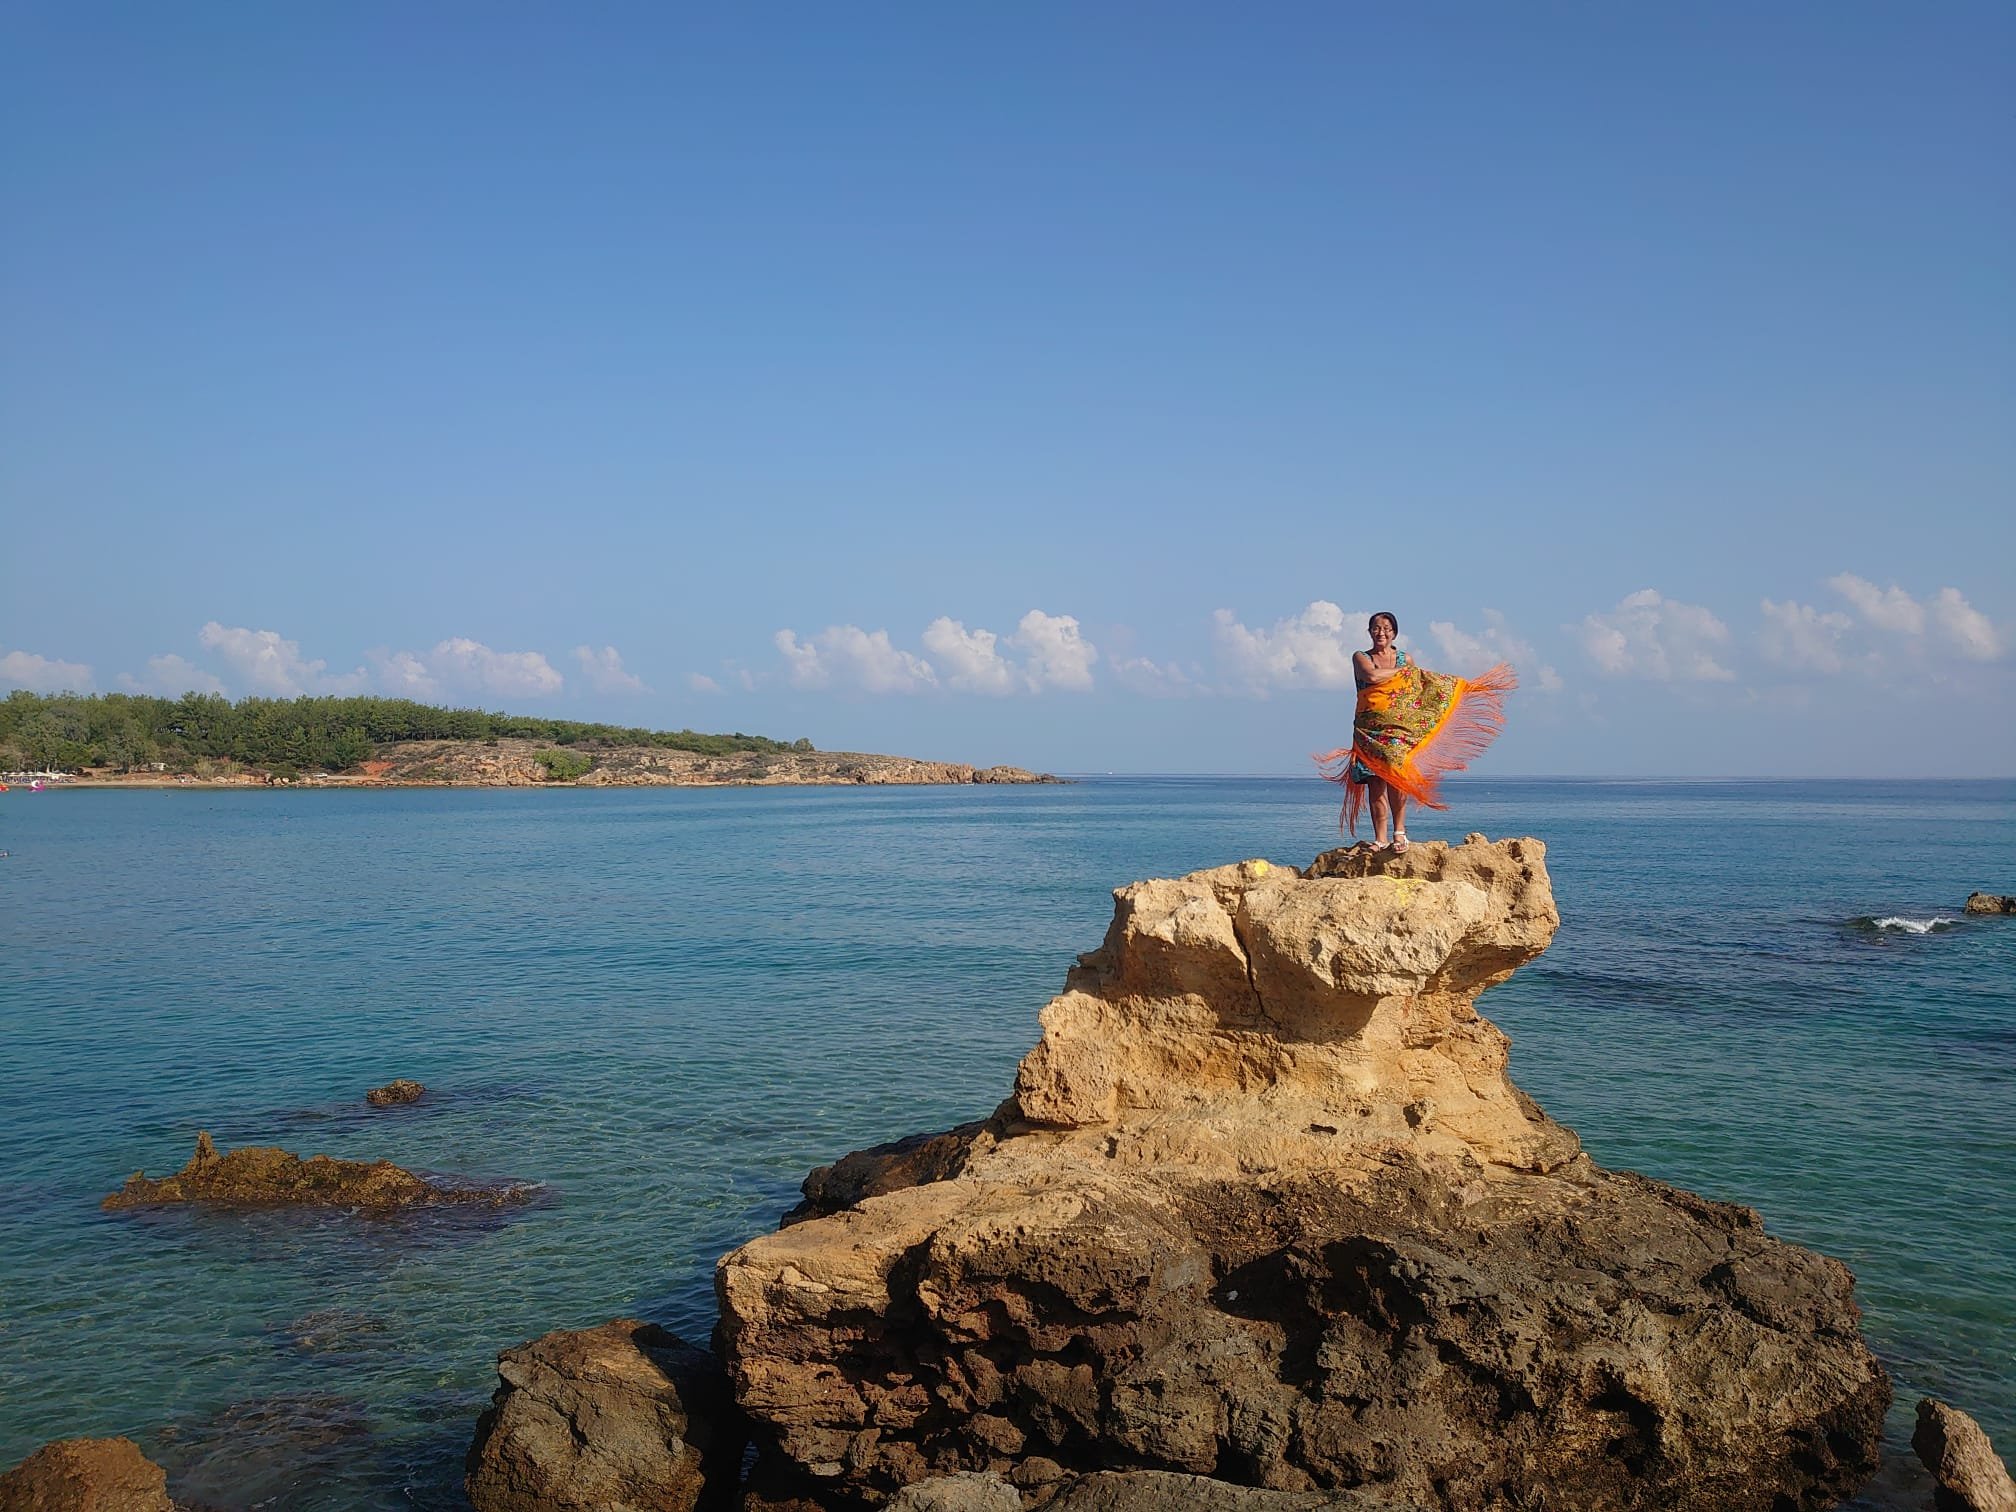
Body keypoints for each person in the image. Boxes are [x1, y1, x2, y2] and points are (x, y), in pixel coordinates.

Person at [1314, 612, 1516, 849]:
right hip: (1368, 729)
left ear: (1394, 633)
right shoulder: (1361, 657)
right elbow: (1372, 676)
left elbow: (1417, 688)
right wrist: (1403, 673)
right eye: (1376, 628)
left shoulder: (1405, 659)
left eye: (1386, 628)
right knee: (1375, 783)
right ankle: (1380, 839)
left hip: (1399, 731)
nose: (1381, 632)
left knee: (1397, 779)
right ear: (1369, 632)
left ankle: (1399, 834)